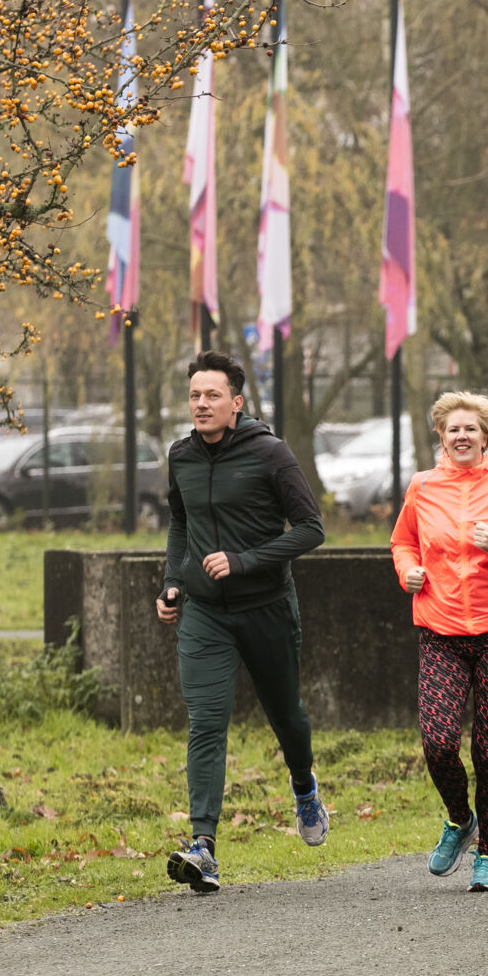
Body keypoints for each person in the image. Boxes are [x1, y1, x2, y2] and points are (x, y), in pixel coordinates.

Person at [157, 351, 329, 894]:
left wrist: (245, 559)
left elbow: (310, 529)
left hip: (266, 608)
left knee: (286, 715)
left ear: (236, 402)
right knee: (206, 721)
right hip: (206, 613)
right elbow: (180, 521)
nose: (201, 404)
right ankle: (203, 846)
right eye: (194, 396)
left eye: (212, 396)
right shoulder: (180, 456)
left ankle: (304, 788)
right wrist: (174, 581)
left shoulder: (270, 453)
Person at [391, 390, 488, 890]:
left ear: (487, 437)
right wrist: (408, 569)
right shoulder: (422, 487)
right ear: (441, 437)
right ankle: (459, 819)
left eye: (470, 428)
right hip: (440, 631)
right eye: (452, 429)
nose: (461, 436)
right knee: (437, 742)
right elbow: (403, 541)